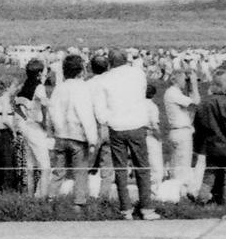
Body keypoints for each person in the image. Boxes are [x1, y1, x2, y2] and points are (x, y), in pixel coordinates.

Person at [92, 49, 159, 220]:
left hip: (117, 126)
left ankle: (126, 208)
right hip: (137, 123)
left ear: (109, 62)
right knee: (142, 167)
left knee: (120, 169)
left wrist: (109, 120)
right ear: (126, 60)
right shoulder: (137, 73)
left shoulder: (103, 80)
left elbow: (100, 110)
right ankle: (146, 207)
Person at [46, 52, 100, 205]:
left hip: (60, 135)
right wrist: (92, 140)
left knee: (58, 171)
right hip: (78, 136)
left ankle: (51, 199)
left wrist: (50, 133)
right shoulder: (82, 88)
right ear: (81, 70)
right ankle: (79, 203)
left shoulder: (59, 88)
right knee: (80, 172)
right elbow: (86, 114)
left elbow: (51, 111)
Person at [0, 59, 53, 198]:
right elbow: (45, 104)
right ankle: (43, 197)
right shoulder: (39, 87)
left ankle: (29, 196)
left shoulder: (23, 88)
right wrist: (44, 124)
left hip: (24, 127)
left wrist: (24, 119)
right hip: (35, 128)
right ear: (40, 73)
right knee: (45, 166)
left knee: (30, 165)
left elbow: (16, 107)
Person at [193, 70, 226, 205]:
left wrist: (198, 150)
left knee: (209, 177)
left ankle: (200, 202)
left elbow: (198, 128)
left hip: (212, 146)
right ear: (224, 84)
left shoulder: (204, 103)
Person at [161, 68, 201, 192]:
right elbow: (196, 102)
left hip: (179, 132)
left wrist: (190, 87)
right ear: (177, 79)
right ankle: (180, 193)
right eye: (185, 79)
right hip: (181, 133)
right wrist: (194, 84)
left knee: (179, 165)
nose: (186, 81)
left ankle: (177, 192)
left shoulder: (175, 93)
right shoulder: (173, 92)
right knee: (182, 167)